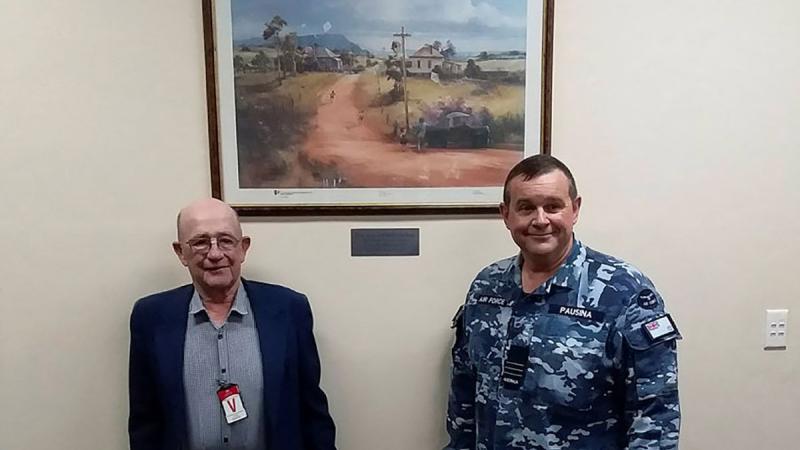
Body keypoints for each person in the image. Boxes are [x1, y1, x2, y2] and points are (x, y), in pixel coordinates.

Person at [444, 155, 681, 450]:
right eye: (526, 207)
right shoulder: (486, 287)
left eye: (553, 206)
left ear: (575, 209)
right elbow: (464, 397)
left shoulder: (624, 292)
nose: (540, 220)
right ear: (506, 215)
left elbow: (654, 417)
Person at [129, 198, 336, 450]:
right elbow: (145, 421)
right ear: (180, 252)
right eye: (200, 242)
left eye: (226, 240)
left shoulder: (289, 309)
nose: (215, 254)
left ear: (244, 248)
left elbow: (313, 412)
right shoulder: (151, 317)